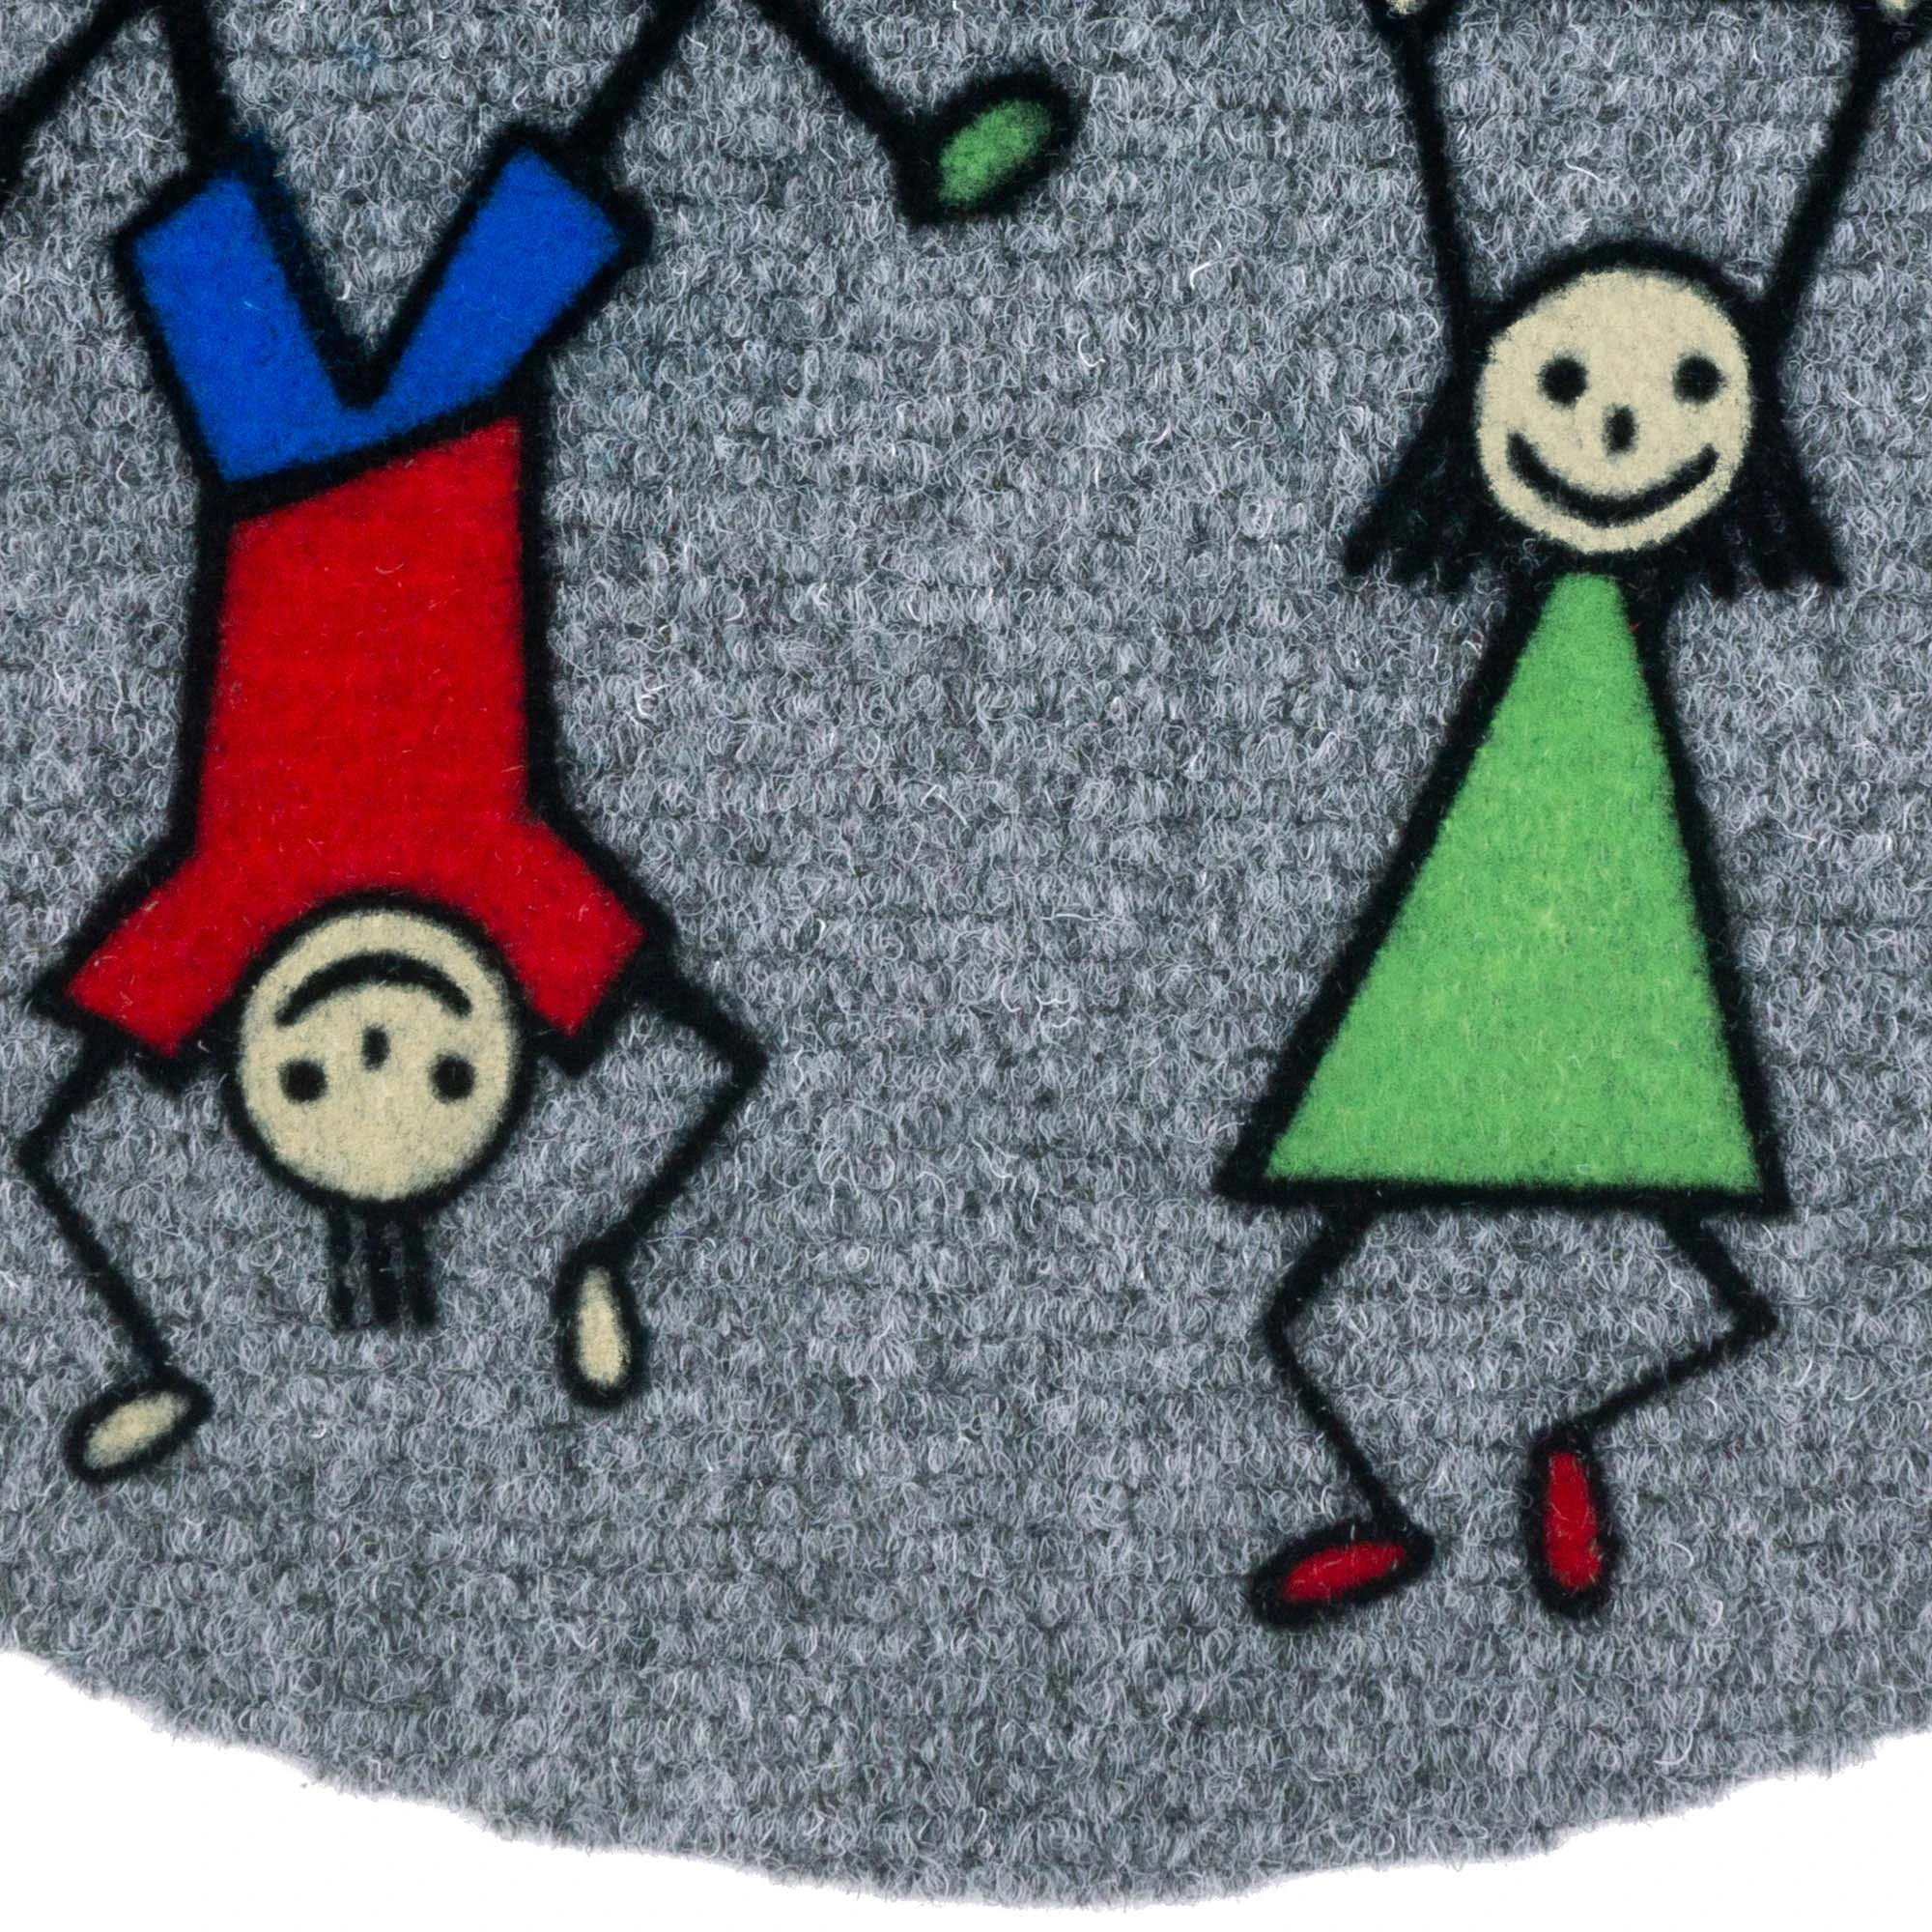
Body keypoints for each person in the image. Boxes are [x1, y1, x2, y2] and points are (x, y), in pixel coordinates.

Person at [2, 0, 1076, 1482]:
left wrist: (149, 1351)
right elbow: (710, 1063)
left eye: (307, 1083)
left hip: (274, 472)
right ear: (498, 1065)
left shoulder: (220, 920)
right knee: (497, 211)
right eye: (449, 1083)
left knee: (243, 228)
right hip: (447, 457)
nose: (373, 1048)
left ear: (255, 1073)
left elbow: (57, 1145)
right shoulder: (514, 898)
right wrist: (604, 1251)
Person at [1220, 0, 1929, 1626]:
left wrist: (1865, 83)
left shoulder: (1626, 601)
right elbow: (1469, 277)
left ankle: (1553, 1441)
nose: (1618, 432)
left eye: (1681, 392)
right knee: (1324, 1294)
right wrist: (1419, 74)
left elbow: (1775, 298)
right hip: (1512, 868)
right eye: (1568, 387)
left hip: (1593, 874)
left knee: (1684, 1286)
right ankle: (1401, 1496)